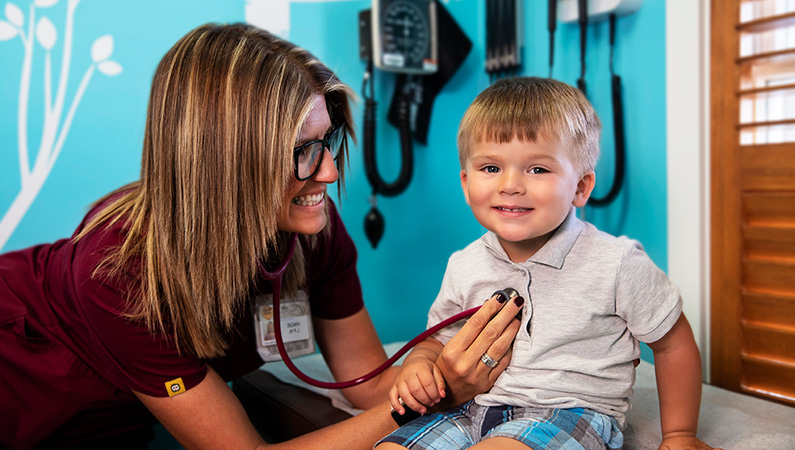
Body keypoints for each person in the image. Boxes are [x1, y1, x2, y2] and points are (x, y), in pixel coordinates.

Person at [0, 23, 523, 450]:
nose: (326, 174)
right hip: (27, 384)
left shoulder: (308, 226)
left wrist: (432, 369)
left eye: (327, 142)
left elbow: (367, 382)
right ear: (221, 160)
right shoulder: (119, 270)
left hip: (124, 414)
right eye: (301, 150)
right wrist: (433, 400)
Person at [377, 77, 722, 450]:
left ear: (580, 187)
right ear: (465, 182)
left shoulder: (617, 262)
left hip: (568, 413)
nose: (510, 185)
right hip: (469, 410)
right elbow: (437, 342)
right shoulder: (464, 264)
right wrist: (417, 365)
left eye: (537, 169)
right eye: (491, 168)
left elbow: (673, 344)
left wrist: (680, 435)